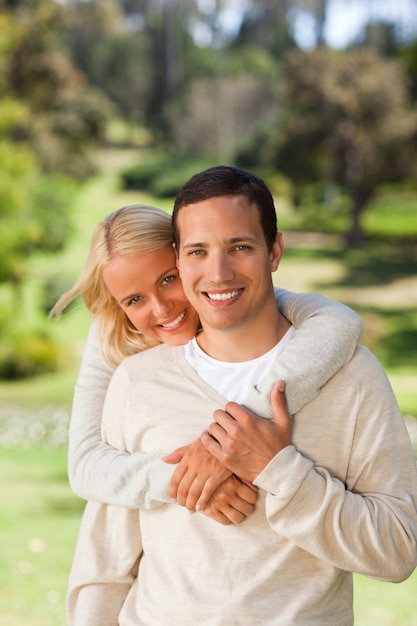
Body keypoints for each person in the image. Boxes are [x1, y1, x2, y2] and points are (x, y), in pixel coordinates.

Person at [66, 167, 417, 625]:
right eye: (198, 252)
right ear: (182, 257)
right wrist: (185, 477)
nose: (218, 272)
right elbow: (105, 564)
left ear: (274, 251)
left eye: (240, 247)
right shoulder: (135, 382)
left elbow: (396, 551)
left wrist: (280, 469)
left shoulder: (350, 375)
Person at [51, 204, 363, 517]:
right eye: (135, 299)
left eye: (168, 279)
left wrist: (230, 438)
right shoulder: (112, 336)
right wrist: (191, 479)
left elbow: (339, 322)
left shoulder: (232, 298)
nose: (161, 309)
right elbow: (85, 465)